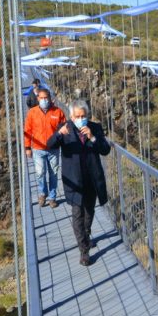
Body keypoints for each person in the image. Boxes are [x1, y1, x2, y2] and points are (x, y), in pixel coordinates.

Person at [47, 100, 111, 266]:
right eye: (77, 116)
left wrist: (93, 137)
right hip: (74, 180)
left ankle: (87, 234)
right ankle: (84, 251)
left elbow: (105, 149)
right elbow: (49, 145)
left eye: (84, 116)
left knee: (89, 210)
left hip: (92, 178)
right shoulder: (64, 128)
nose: (81, 119)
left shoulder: (95, 127)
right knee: (78, 214)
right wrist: (59, 134)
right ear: (71, 116)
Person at [24, 88, 65, 208]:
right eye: (41, 98)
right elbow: (27, 131)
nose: (44, 100)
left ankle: (52, 197)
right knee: (40, 173)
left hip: (54, 149)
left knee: (53, 174)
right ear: (38, 99)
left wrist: (65, 147)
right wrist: (27, 147)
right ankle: (43, 193)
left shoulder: (58, 112)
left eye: (45, 98)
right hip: (38, 149)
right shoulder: (32, 113)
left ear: (49, 98)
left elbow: (64, 131)